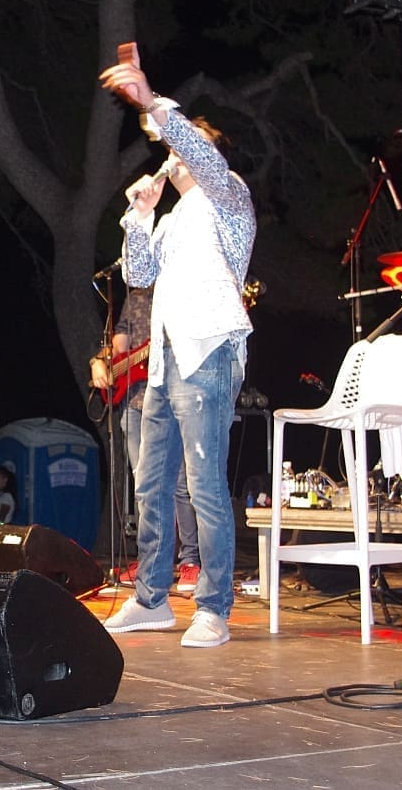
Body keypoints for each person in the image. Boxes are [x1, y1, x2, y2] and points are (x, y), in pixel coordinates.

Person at [98, 58, 256, 647]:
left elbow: (201, 155)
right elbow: (138, 276)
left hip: (207, 351)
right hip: (164, 362)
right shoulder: (170, 220)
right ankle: (152, 599)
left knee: (204, 482)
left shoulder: (228, 194)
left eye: (185, 146)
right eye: (172, 149)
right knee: (151, 484)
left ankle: (214, 606)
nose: (174, 155)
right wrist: (139, 218)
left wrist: (153, 105)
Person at [90, 285, 201, 592]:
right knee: (144, 485)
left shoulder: (183, 289)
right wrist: (99, 362)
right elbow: (121, 340)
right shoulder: (136, 294)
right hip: (135, 401)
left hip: (172, 397)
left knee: (179, 484)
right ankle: (150, 559)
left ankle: (190, 560)